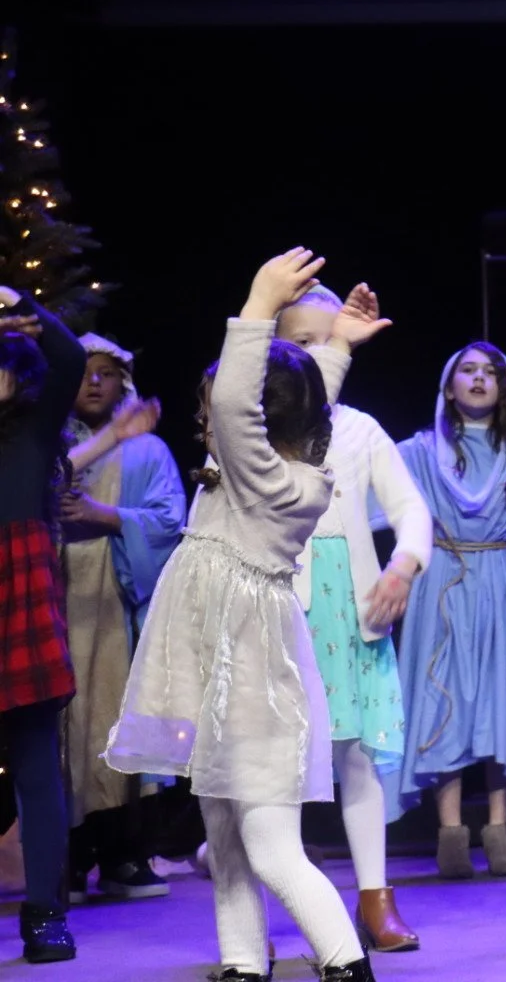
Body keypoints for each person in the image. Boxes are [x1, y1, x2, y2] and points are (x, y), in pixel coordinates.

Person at [104, 248, 376, 982]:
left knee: (268, 843)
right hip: (224, 661)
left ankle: (346, 962)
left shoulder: (263, 478)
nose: (211, 419)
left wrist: (258, 305)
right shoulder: (284, 461)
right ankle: (241, 963)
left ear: (255, 422)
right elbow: (304, 400)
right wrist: (339, 348)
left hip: (250, 670)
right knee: (222, 827)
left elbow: (233, 404)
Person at [277, 284, 435, 949]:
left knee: (360, 759)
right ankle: (291, 899)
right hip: (283, 608)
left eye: (326, 340)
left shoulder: (361, 429)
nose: (316, 355)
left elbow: (410, 510)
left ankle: (376, 900)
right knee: (279, 763)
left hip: (353, 610)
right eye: (302, 342)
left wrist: (402, 566)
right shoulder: (257, 433)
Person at [390, 340, 506, 879]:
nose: (479, 379)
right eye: (467, 370)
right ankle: (449, 831)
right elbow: (369, 499)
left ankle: (498, 827)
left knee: (502, 700)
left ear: (504, 389)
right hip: (440, 576)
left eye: (491, 372)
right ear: (449, 386)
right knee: (443, 700)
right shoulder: (417, 454)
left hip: (505, 581)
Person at [60, 335, 185, 903]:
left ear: (123, 384)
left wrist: (103, 514)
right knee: (67, 726)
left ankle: (121, 855)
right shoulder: (51, 444)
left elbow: (167, 521)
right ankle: (64, 858)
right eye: (84, 372)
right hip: (56, 596)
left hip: (117, 600)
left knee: (113, 720)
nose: (93, 382)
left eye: (106, 373)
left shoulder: (147, 452)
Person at [0, 284, 86, 963]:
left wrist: (15, 295)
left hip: (18, 597)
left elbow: (67, 353)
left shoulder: (34, 424)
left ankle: (45, 914)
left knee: (35, 765)